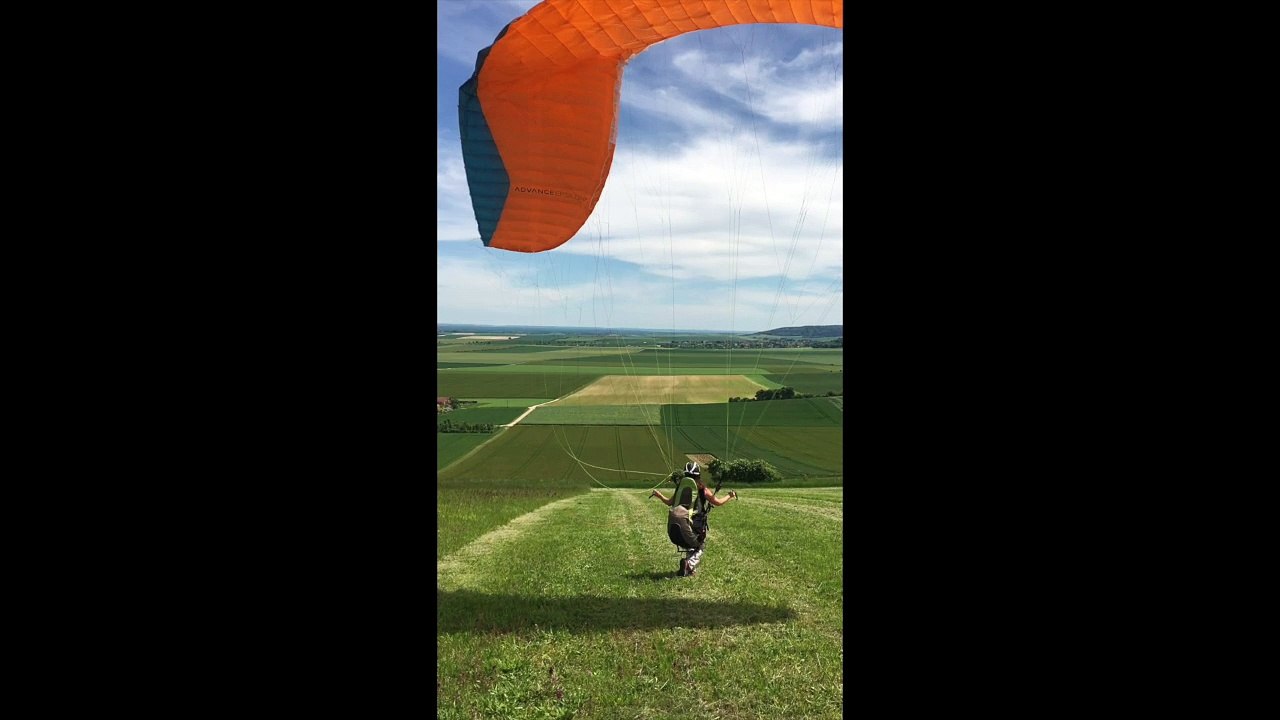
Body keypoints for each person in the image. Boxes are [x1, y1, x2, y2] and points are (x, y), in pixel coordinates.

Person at [649, 461, 738, 576]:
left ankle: (689, 569)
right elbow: (718, 502)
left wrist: (659, 495)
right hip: (693, 527)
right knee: (699, 545)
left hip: (673, 532)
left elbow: (669, 502)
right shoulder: (702, 489)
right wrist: (730, 496)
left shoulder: (680, 489)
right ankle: (689, 564)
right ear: (698, 475)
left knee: (690, 544)